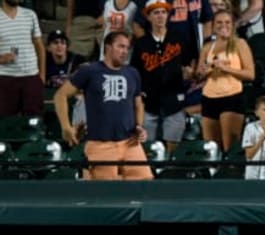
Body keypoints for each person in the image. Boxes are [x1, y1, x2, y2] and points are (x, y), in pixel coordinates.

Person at [54, 31, 154, 181]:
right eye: (120, 46)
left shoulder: (132, 73)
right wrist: (66, 127)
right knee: (106, 194)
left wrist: (139, 126)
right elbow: (60, 95)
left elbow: (138, 104)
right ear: (107, 47)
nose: (125, 51)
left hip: (130, 143)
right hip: (100, 144)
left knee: (146, 184)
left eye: (127, 48)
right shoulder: (89, 71)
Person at [131, 0, 194, 154]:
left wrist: (189, 73)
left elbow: (188, 63)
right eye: (156, 13)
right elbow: (134, 72)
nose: (160, 16)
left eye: (163, 12)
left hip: (174, 100)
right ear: (149, 17)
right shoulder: (141, 43)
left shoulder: (179, 38)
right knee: (148, 149)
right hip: (149, 102)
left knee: (174, 149)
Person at [196, 10, 255, 152]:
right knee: (211, 148)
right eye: (219, 22)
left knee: (230, 147)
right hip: (209, 98)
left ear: (233, 25)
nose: (224, 25)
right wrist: (202, 72)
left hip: (231, 98)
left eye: (227, 22)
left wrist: (226, 69)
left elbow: (250, 74)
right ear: (214, 25)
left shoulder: (240, 44)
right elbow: (198, 75)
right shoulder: (207, 47)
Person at [0, 0, 45, 117]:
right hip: (5, 78)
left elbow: (39, 46)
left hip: (31, 77)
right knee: (6, 123)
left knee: (34, 121)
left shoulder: (30, 14)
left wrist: (42, 76)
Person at [133, 0, 214, 61]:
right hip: (163, 56)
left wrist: (204, 54)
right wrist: (151, 50)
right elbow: (137, 25)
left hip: (192, 56)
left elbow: (208, 19)